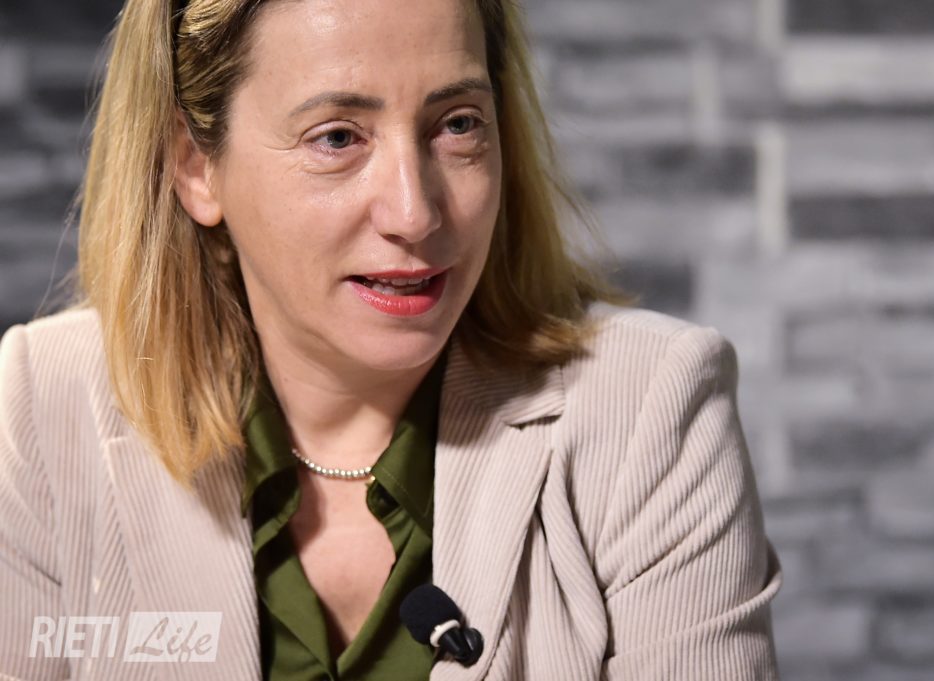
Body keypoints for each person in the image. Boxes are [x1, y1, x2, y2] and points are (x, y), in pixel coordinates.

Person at [0, 0, 782, 678]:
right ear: (195, 164)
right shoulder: (38, 408)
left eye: (458, 125)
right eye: (338, 137)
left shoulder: (651, 408)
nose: (414, 212)